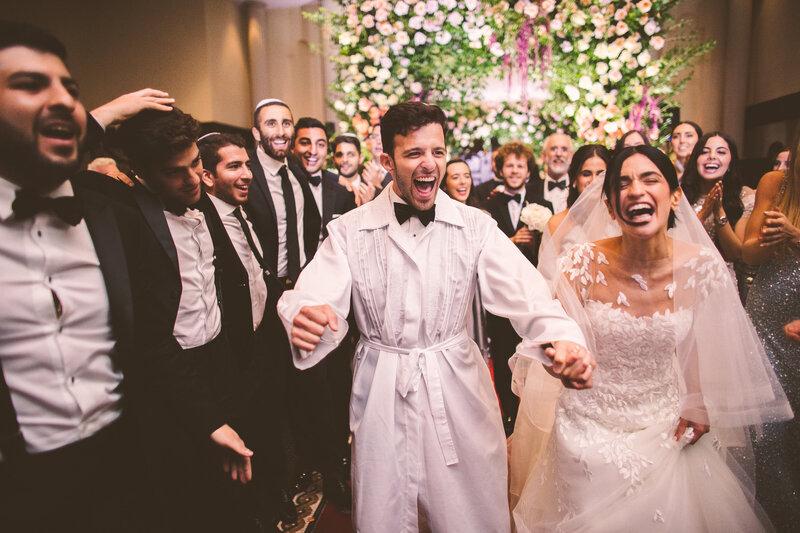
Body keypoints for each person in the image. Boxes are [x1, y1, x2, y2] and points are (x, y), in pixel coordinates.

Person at [277, 101, 594, 533]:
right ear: (387, 161)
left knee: (471, 510)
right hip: (382, 386)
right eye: (414, 153)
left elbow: (529, 295)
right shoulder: (349, 230)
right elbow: (312, 293)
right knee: (385, 511)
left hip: (456, 384)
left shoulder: (475, 226)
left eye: (438, 152)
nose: (429, 164)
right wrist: (304, 313)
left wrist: (561, 337)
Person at [511, 145, 792, 532]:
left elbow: (702, 344)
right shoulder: (581, 264)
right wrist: (560, 356)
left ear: (674, 196)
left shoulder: (701, 267)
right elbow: (553, 336)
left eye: (649, 179)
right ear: (611, 207)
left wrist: (698, 402)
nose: (636, 190)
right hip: (585, 430)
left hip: (665, 426)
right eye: (623, 183)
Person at [0, 21, 158, 532]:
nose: (63, 100)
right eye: (30, 85)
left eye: (71, 88)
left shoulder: (111, 219)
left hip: (125, 468)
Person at [116, 108, 256, 531]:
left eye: (195, 163)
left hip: (220, 359)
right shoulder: (129, 220)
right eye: (174, 172)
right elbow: (149, 340)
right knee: (189, 496)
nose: (193, 178)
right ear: (140, 173)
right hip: (172, 376)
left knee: (235, 484)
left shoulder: (201, 203)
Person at [742, 138, 800, 532]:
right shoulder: (775, 183)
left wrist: (794, 235)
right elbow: (748, 254)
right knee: (765, 435)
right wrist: (768, 240)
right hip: (765, 318)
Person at [682, 132, 755, 293]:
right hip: (683, 279)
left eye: (721, 152)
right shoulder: (680, 196)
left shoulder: (745, 196)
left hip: (722, 285)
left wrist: (718, 210)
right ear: (695, 160)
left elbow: (735, 253)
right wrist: (704, 212)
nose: (712, 156)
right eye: (704, 152)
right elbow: (675, 244)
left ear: (731, 163)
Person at [291, 117, 356, 244]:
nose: (313, 151)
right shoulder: (281, 184)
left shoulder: (343, 192)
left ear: (327, 149)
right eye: (305, 143)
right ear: (292, 147)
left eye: (320, 144)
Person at [546, 144, 611, 234]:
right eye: (586, 174)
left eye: (600, 174)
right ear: (574, 180)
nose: (594, 180)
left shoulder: (620, 221)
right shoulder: (557, 223)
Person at [331, 133, 376, 206]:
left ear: (360, 158)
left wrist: (368, 205)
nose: (345, 160)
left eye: (351, 154)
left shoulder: (371, 189)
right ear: (333, 160)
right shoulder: (327, 189)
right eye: (339, 155)